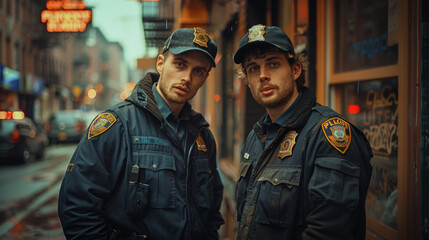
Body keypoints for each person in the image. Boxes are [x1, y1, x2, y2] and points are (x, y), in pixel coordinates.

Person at [58, 27, 224, 240]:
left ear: (205, 78)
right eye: (180, 64)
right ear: (161, 64)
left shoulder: (202, 137)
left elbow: (211, 215)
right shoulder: (118, 125)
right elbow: (77, 209)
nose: (187, 78)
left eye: (198, 71)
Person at [233, 24, 373, 240]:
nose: (262, 75)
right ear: (247, 81)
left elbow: (329, 233)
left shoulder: (327, 135)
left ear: (295, 70)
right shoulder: (256, 136)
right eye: (253, 68)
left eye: (273, 64)